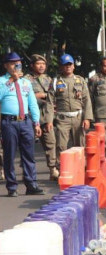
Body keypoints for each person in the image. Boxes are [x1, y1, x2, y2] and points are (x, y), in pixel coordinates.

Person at [0, 52, 44, 196]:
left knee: (29, 155)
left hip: (25, 121)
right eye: (13, 63)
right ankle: (12, 187)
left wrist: (36, 122)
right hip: (9, 122)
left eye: (18, 63)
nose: (16, 65)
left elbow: (32, 103)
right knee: (10, 154)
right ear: (6, 65)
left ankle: (31, 184)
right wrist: (10, 81)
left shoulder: (26, 82)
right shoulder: (2, 81)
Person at [51, 54, 93, 154]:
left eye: (70, 64)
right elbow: (49, 101)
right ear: (61, 67)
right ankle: (61, 167)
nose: (68, 66)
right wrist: (49, 121)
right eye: (65, 65)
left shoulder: (80, 80)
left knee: (80, 145)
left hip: (77, 118)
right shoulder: (55, 81)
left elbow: (87, 100)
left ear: (73, 66)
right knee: (61, 146)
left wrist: (87, 118)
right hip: (62, 118)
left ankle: (80, 167)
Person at [26, 54, 58, 180]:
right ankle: (28, 173)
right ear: (32, 65)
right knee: (27, 145)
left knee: (51, 143)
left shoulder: (49, 79)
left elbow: (52, 97)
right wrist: (38, 96)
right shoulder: (26, 80)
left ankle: (52, 169)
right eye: (38, 64)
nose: (41, 66)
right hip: (30, 117)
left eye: (43, 64)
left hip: (46, 117)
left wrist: (43, 95)